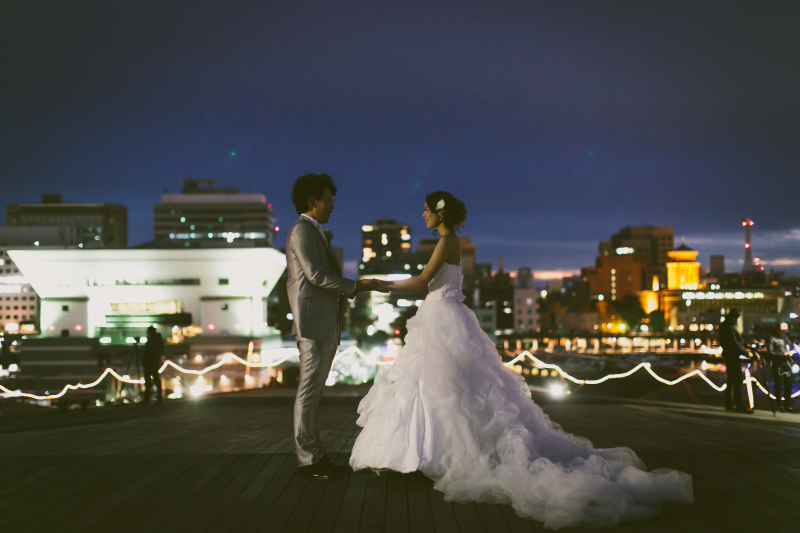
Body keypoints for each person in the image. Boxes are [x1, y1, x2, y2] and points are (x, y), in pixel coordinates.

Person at [349, 191, 693, 529]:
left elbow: (424, 281)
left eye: (426, 210)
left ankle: (426, 453)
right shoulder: (451, 241)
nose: (422, 215)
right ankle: (422, 452)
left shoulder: (446, 242)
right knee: (442, 388)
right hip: (444, 317)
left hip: (440, 318)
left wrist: (380, 284)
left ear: (440, 214)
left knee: (440, 387)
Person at [286, 173, 385, 480]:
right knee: (308, 393)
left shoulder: (313, 231)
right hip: (313, 323)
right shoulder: (302, 231)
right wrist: (359, 286)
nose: (332, 205)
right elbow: (316, 276)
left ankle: (315, 455)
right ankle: (308, 460)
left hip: (323, 322)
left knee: (313, 394)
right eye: (328, 200)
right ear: (311, 201)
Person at [719, 308, 755, 413]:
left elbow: (738, 341)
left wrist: (746, 346)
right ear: (734, 317)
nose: (738, 320)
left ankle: (730, 404)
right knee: (737, 380)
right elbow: (734, 343)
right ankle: (739, 405)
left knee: (731, 380)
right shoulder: (729, 327)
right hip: (732, 356)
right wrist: (747, 352)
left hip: (729, 355)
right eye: (737, 317)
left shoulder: (726, 325)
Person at [768, 325, 794, 413]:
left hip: (786, 364)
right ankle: (780, 405)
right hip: (777, 364)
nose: (783, 332)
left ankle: (788, 405)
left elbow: (787, 348)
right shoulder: (772, 339)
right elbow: (770, 352)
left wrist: (790, 358)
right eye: (782, 330)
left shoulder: (786, 338)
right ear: (777, 329)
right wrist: (784, 355)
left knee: (788, 385)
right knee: (778, 384)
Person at [142, 326, 164, 405]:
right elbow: (161, 351)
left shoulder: (151, 341)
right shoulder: (159, 341)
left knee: (148, 382)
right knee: (156, 380)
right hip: (155, 362)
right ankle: (159, 398)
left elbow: (147, 353)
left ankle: (146, 399)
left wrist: (144, 360)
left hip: (149, 363)